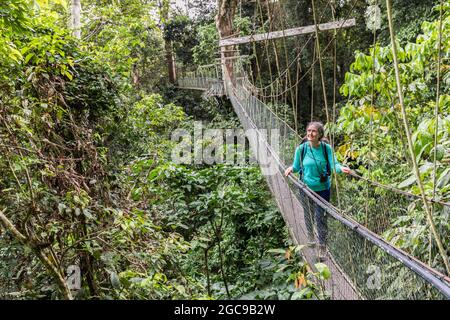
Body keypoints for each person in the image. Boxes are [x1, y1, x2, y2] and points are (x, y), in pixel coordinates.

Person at [284, 121, 351, 261]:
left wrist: (341, 169)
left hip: (323, 189)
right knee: (307, 214)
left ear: (320, 134)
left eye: (313, 131)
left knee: (320, 218)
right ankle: (310, 235)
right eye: (308, 131)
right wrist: (291, 168)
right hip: (305, 188)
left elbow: (334, 165)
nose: (310, 133)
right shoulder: (301, 149)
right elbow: (296, 167)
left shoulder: (326, 149)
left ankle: (322, 246)